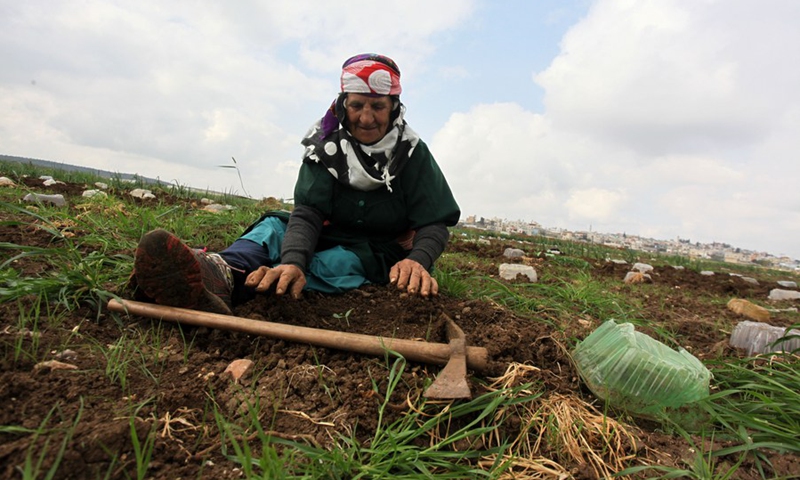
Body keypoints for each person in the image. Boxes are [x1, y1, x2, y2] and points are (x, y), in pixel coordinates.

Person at [130, 53, 460, 315]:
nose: (366, 117)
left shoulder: (412, 153)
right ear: (344, 105)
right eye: (357, 105)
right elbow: (308, 213)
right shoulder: (325, 146)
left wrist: (417, 261)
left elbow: (434, 222)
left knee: (337, 265)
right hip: (325, 229)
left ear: (394, 109)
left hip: (372, 249)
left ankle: (227, 288)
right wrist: (291, 261)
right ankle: (217, 269)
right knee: (272, 229)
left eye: (378, 106)